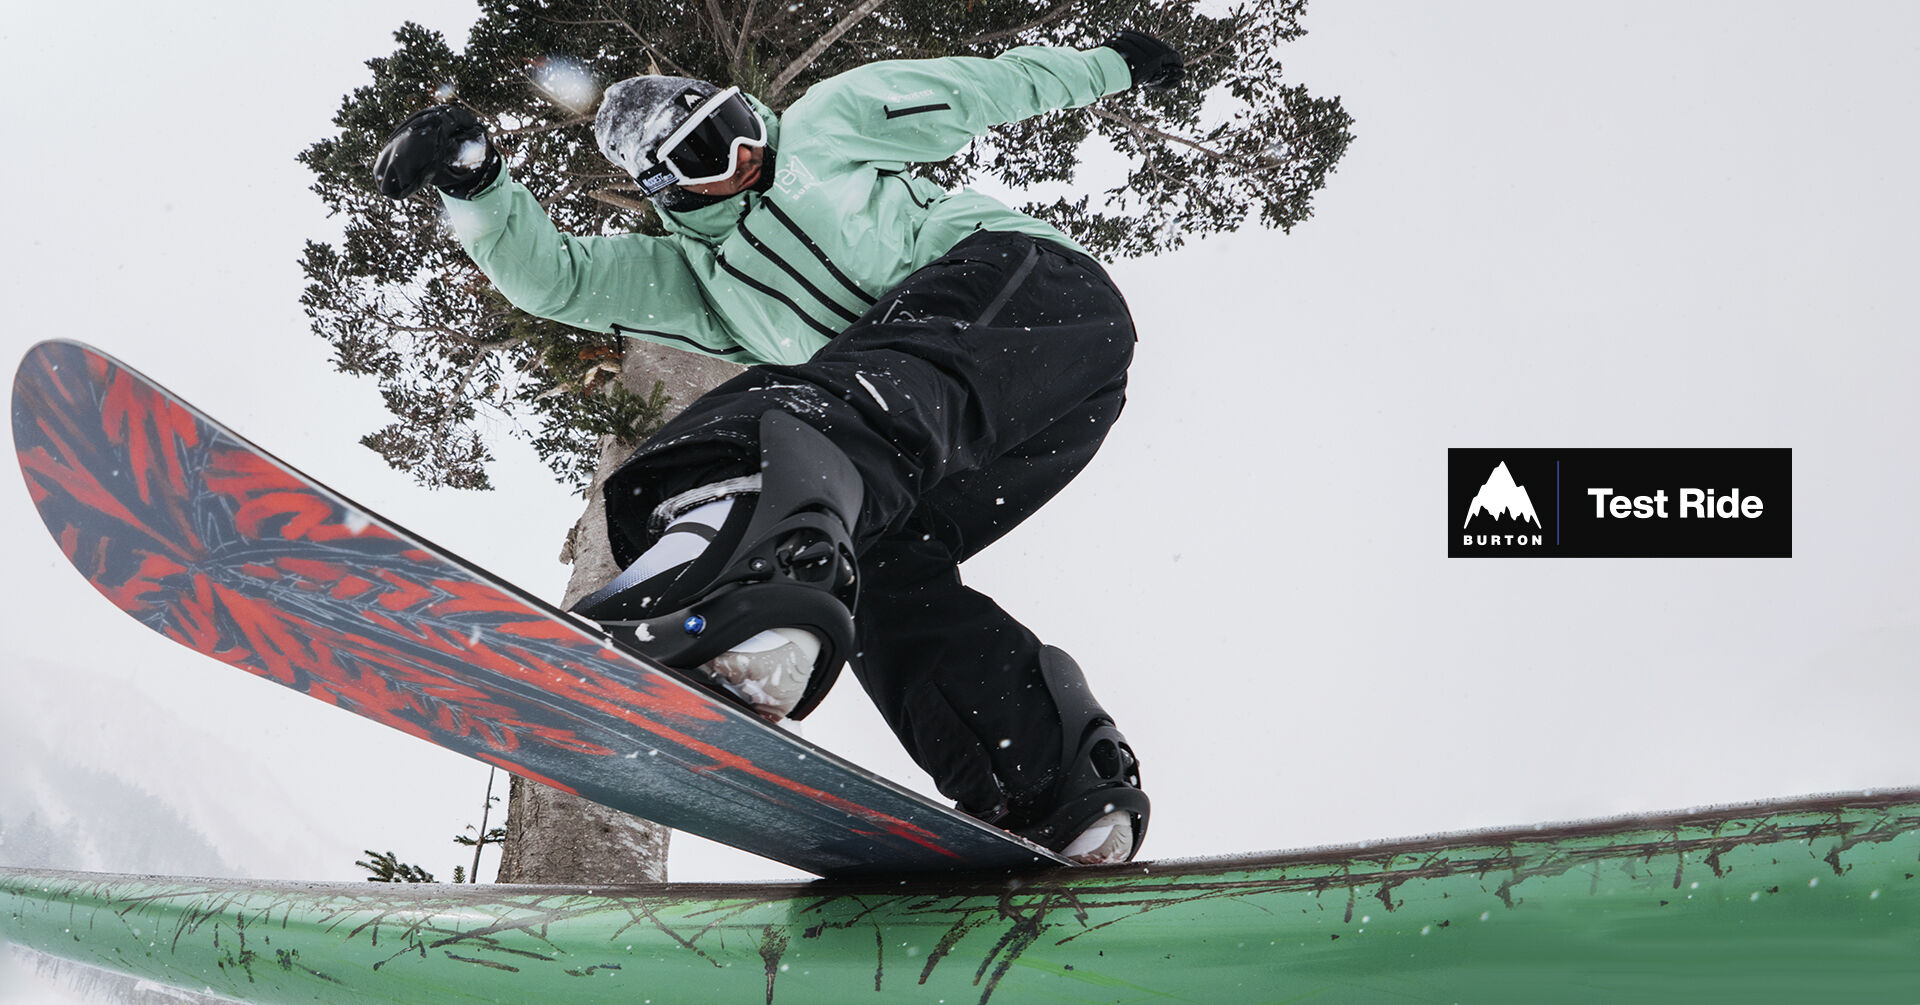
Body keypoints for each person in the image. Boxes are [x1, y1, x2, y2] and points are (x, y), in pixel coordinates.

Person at [373, 30, 1182, 865]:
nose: (745, 156)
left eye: (734, 126)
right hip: (993, 427)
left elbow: (991, 87)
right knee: (881, 565)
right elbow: (560, 278)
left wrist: (1114, 65)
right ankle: (1050, 784)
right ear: (667, 189)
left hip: (1038, 302)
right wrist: (477, 183)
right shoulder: (699, 281)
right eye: (706, 156)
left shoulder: (828, 122)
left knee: (796, 420)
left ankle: (752, 581)